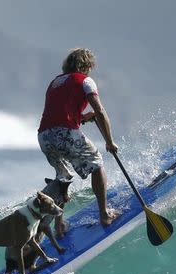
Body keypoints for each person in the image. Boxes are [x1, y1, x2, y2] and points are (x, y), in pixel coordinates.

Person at [38, 48, 118, 236]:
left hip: (44, 136)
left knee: (63, 177)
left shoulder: (55, 82)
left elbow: (58, 115)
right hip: (64, 133)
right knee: (97, 163)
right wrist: (110, 142)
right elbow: (100, 110)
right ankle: (105, 214)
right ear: (86, 65)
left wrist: (81, 118)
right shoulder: (85, 81)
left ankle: (58, 227)